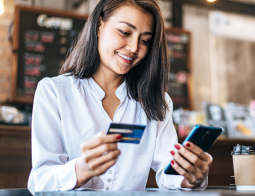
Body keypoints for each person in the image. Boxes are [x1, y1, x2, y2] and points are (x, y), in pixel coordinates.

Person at [27, 0, 212, 194]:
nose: (133, 47)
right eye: (124, 32)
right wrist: (80, 170)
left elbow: (169, 173)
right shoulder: (54, 92)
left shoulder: (157, 101)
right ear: (99, 25)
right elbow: (40, 181)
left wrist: (190, 177)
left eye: (145, 40)